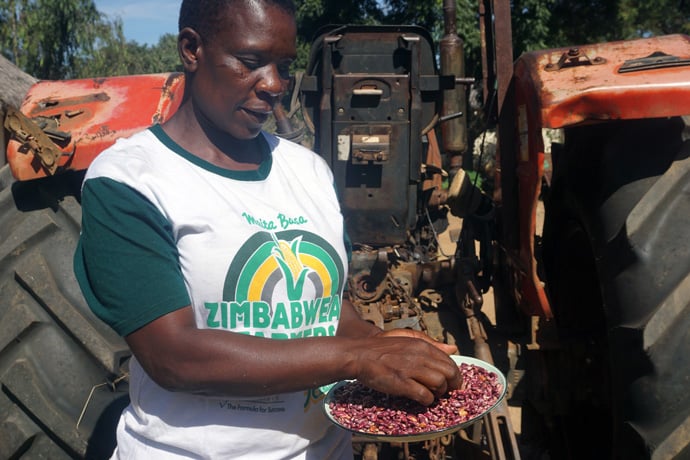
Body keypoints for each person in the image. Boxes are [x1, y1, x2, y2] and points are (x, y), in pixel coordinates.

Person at [73, 0, 462, 458]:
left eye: (284, 65)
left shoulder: (308, 171)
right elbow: (173, 356)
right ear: (191, 49)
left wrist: (380, 344)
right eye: (252, 63)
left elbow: (324, 307)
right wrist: (359, 359)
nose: (275, 85)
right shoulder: (129, 180)